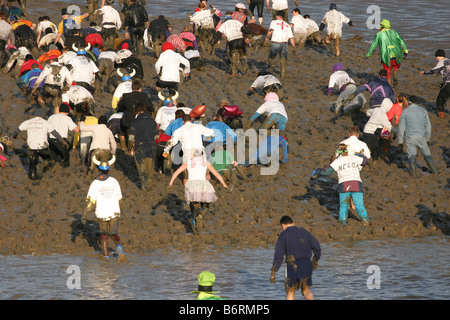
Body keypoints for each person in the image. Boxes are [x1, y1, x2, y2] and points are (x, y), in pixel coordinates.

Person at [168, 148, 228, 233]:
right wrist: (224, 184)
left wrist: (171, 183)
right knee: (206, 205)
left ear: (193, 155)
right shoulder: (206, 162)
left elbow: (176, 173)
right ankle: (200, 216)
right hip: (203, 185)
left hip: (192, 186)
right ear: (202, 154)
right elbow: (217, 174)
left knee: (193, 206)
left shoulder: (188, 162)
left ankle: (194, 228)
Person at [312, 143, 370, 225]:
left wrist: (318, 171)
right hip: (356, 183)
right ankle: (365, 219)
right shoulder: (354, 158)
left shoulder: (337, 161)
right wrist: (360, 155)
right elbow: (365, 161)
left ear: (337, 152)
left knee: (344, 205)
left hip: (344, 184)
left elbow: (328, 172)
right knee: (359, 204)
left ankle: (343, 222)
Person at [82, 153, 125, 261]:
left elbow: (91, 202)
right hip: (114, 212)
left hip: (102, 213)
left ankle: (106, 256)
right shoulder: (114, 181)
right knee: (114, 233)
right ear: (109, 169)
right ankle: (120, 250)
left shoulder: (95, 183)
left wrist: (85, 215)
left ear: (99, 169)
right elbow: (119, 198)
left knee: (103, 235)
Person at [270, 215, 321, 300]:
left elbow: (278, 255)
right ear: (293, 223)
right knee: (306, 291)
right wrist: (315, 260)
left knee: (290, 291)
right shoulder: (305, 232)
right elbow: (317, 248)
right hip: (307, 265)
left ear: (282, 225)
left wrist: (273, 272)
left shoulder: (283, 235)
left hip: (292, 265)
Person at [12, 108, 64, 180]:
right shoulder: (46, 123)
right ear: (42, 116)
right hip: (43, 147)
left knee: (32, 167)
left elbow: (16, 131)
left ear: (34, 115)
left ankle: (33, 176)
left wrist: (14, 137)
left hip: (31, 147)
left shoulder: (27, 122)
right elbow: (55, 133)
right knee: (50, 161)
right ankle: (42, 166)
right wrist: (62, 141)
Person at [397, 95, 438, 177]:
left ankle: (413, 174)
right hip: (421, 137)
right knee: (427, 155)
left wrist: (400, 141)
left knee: (412, 157)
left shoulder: (405, 112)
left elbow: (401, 128)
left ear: (409, 102)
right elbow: (428, 126)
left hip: (410, 137)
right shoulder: (423, 111)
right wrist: (427, 139)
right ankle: (435, 171)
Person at [366, 19, 409, 86]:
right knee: (396, 66)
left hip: (386, 57)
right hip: (397, 54)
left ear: (382, 27)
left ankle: (389, 87)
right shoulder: (394, 32)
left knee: (387, 72)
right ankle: (395, 74)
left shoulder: (379, 34)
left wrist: (368, 54)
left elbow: (373, 45)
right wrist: (405, 51)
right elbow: (402, 41)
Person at [117, 79, 153, 154]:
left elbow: (120, 107)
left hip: (128, 120)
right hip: (141, 121)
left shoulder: (126, 96)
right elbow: (151, 107)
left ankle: (131, 149)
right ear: (140, 88)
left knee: (129, 134)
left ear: (132, 88)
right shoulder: (144, 96)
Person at [128, 103, 158, 190]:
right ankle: (149, 185)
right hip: (152, 146)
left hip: (140, 147)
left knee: (142, 168)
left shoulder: (135, 121)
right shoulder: (153, 121)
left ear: (137, 112)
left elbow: (131, 138)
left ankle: (144, 187)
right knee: (150, 168)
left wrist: (130, 147)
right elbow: (157, 136)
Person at [210, 11, 250, 76]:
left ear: (225, 18)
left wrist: (212, 43)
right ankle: (246, 71)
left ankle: (234, 74)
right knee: (243, 55)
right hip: (241, 40)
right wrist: (249, 36)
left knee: (233, 60)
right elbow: (245, 29)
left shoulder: (224, 25)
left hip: (232, 42)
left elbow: (217, 35)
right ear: (232, 17)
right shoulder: (237, 22)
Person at [47, 103, 80, 167]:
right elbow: (77, 130)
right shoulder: (67, 118)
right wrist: (81, 123)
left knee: (53, 159)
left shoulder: (51, 117)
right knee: (65, 157)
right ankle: (64, 165)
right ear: (67, 111)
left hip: (51, 140)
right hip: (61, 141)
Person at [265, 10, 295, 78]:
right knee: (283, 61)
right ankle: (282, 76)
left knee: (271, 58)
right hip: (284, 45)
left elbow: (270, 31)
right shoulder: (287, 25)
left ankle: (272, 66)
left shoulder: (274, 22)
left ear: (278, 16)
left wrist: (267, 38)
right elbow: (291, 37)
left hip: (275, 43)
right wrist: (294, 47)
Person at [419, 49, 449, 118]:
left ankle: (441, 114)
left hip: (447, 83)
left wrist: (424, 72)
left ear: (438, 56)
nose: (436, 59)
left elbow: (434, 71)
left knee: (440, 99)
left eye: (436, 57)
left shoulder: (442, 62)